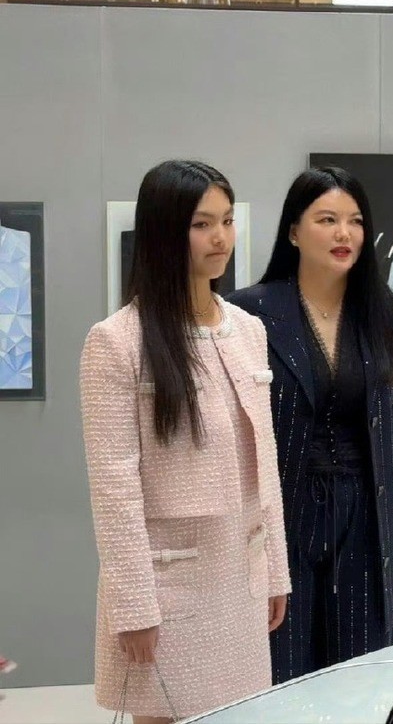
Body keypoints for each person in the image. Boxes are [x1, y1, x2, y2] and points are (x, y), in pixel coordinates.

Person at [79, 160, 290, 724]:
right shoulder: (117, 342)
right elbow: (114, 487)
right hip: (168, 585)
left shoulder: (248, 331)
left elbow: (265, 462)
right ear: (164, 232)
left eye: (226, 220)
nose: (220, 237)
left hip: (239, 578)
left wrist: (276, 570)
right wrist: (132, 605)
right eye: (202, 224)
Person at [228, 166, 393, 683]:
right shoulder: (247, 314)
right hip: (281, 510)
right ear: (294, 231)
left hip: (365, 512)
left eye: (355, 221)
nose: (343, 233)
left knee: (360, 671)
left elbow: (389, 425)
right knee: (280, 667)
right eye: (327, 219)